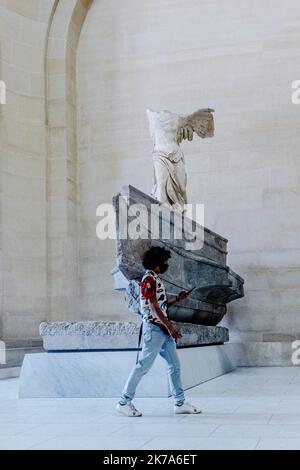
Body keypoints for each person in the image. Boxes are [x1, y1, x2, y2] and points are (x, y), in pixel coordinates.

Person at [116, 245, 201, 417]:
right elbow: (153, 306)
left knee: (174, 365)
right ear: (156, 264)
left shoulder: (154, 278)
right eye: (163, 262)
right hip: (154, 329)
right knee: (142, 366)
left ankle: (179, 403)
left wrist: (177, 298)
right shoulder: (149, 279)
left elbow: (161, 303)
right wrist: (171, 326)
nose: (165, 265)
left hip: (162, 329)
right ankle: (123, 402)